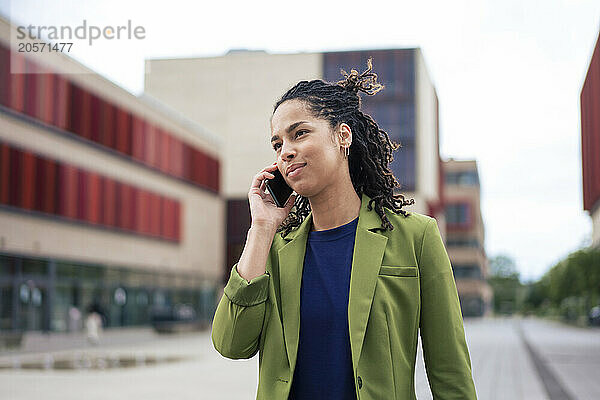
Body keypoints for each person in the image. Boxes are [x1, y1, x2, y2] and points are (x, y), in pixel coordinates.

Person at [211, 58, 478, 400]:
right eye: (277, 144)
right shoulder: (274, 250)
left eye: (300, 133)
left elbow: (451, 374)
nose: (286, 152)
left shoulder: (416, 238)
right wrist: (261, 229)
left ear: (342, 135)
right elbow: (231, 343)